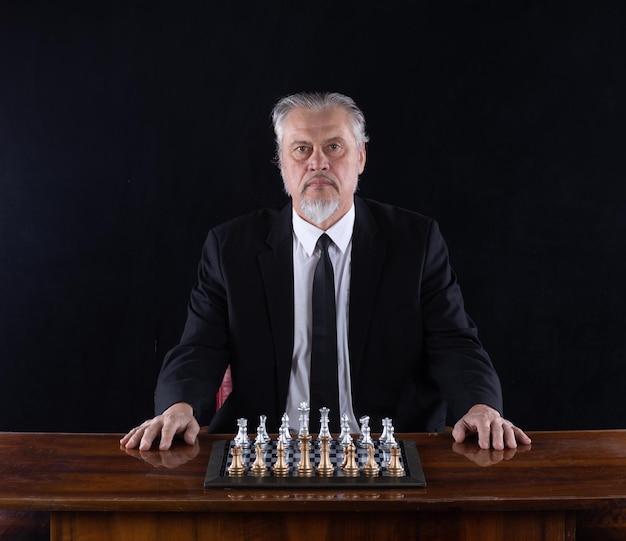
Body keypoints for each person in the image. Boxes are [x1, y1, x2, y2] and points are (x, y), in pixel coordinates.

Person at [121, 91, 531, 453]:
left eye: (334, 146)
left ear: (361, 157)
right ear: (282, 164)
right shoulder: (231, 248)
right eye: (301, 149)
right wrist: (178, 406)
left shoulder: (415, 242)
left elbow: (454, 342)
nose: (318, 162)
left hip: (387, 453)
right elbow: (200, 346)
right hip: (268, 452)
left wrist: (480, 406)